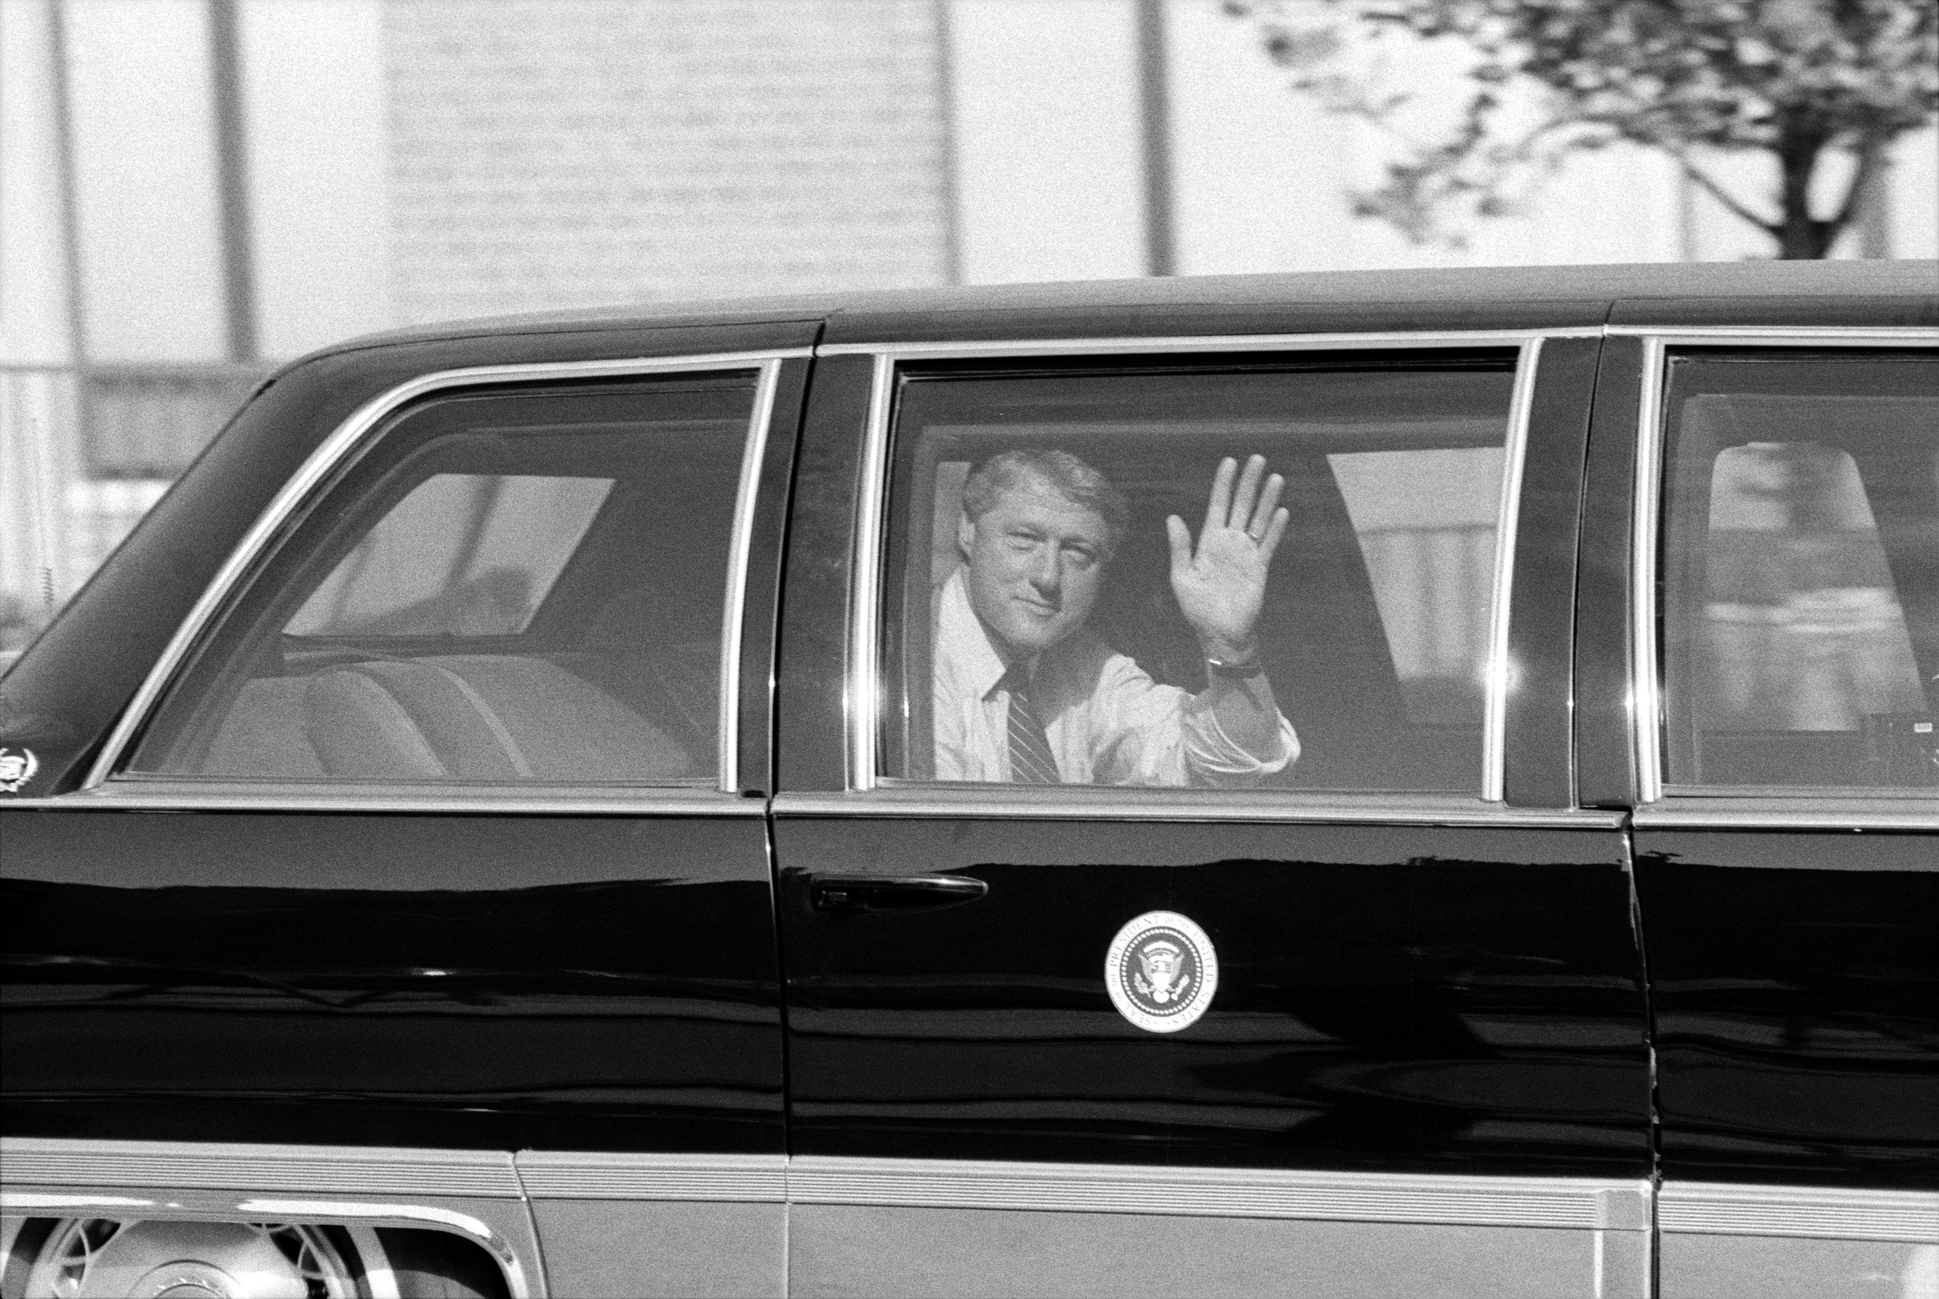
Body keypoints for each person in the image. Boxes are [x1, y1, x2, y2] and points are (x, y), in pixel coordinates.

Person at [933, 448, 1298, 785]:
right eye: (1024, 539)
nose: (1047, 576)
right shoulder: (912, 660)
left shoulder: (1082, 666)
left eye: (1077, 551)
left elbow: (1224, 762)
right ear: (967, 531)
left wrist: (1228, 646)